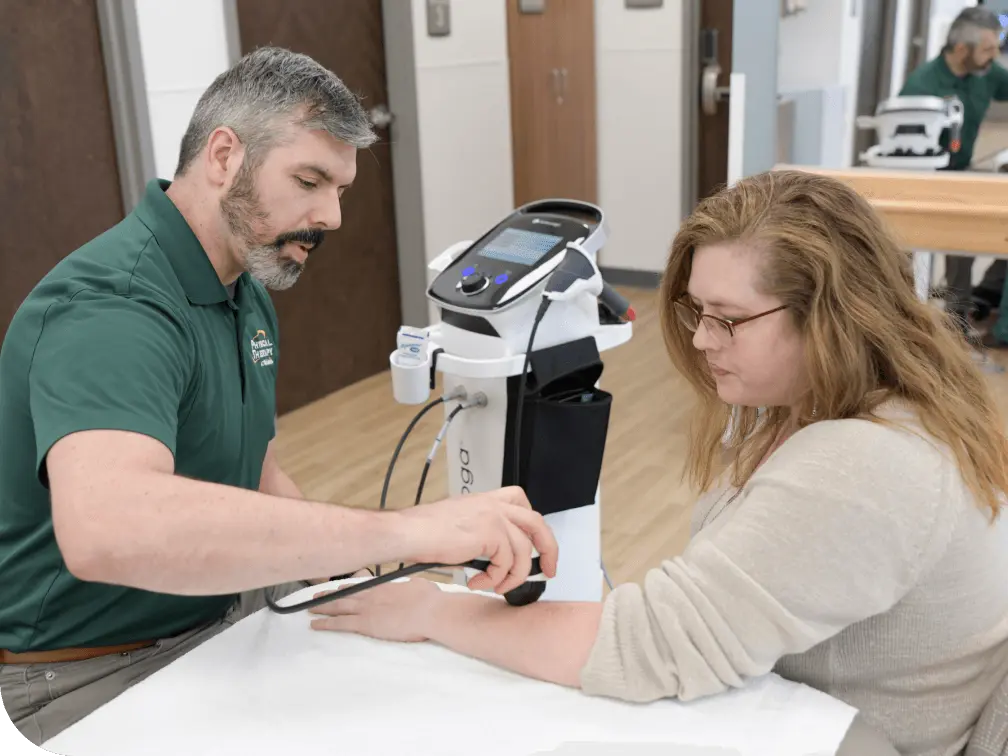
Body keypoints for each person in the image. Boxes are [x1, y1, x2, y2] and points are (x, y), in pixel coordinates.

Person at [310, 169, 1008, 756]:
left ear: (831, 317)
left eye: (728, 318)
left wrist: (434, 611)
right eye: (698, 310)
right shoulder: (830, 403)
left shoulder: (865, 464)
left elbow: (646, 646)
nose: (702, 338)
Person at [0, 46, 557, 747]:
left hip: (213, 620)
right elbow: (107, 529)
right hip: (84, 673)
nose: (331, 216)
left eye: (341, 191)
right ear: (224, 156)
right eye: (309, 180)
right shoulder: (112, 306)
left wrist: (358, 575)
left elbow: (251, 472)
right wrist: (409, 529)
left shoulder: (245, 292)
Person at [898, 6, 1008, 345]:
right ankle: (903, 325)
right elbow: (901, 146)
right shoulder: (921, 85)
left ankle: (956, 325)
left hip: (961, 174)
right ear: (962, 49)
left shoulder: (987, 73)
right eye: (989, 48)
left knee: (964, 246)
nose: (995, 55)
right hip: (919, 177)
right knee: (908, 251)